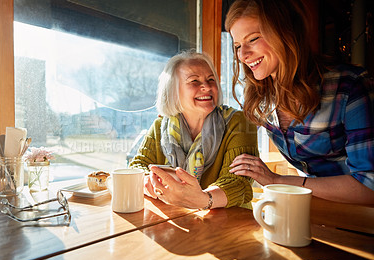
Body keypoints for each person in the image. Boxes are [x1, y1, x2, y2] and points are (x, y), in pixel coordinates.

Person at [225, 0, 374, 204]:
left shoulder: (349, 86)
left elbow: (369, 186)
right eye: (237, 46)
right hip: (312, 210)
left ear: (285, 33)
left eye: (253, 39)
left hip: (359, 221)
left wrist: (278, 181)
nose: (242, 55)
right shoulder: (261, 100)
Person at [129, 50, 258, 210]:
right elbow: (137, 166)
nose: (207, 86)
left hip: (230, 224)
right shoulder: (160, 126)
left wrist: (204, 199)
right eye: (194, 81)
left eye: (211, 79)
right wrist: (147, 180)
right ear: (173, 91)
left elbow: (239, 182)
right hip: (176, 220)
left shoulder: (238, 121)